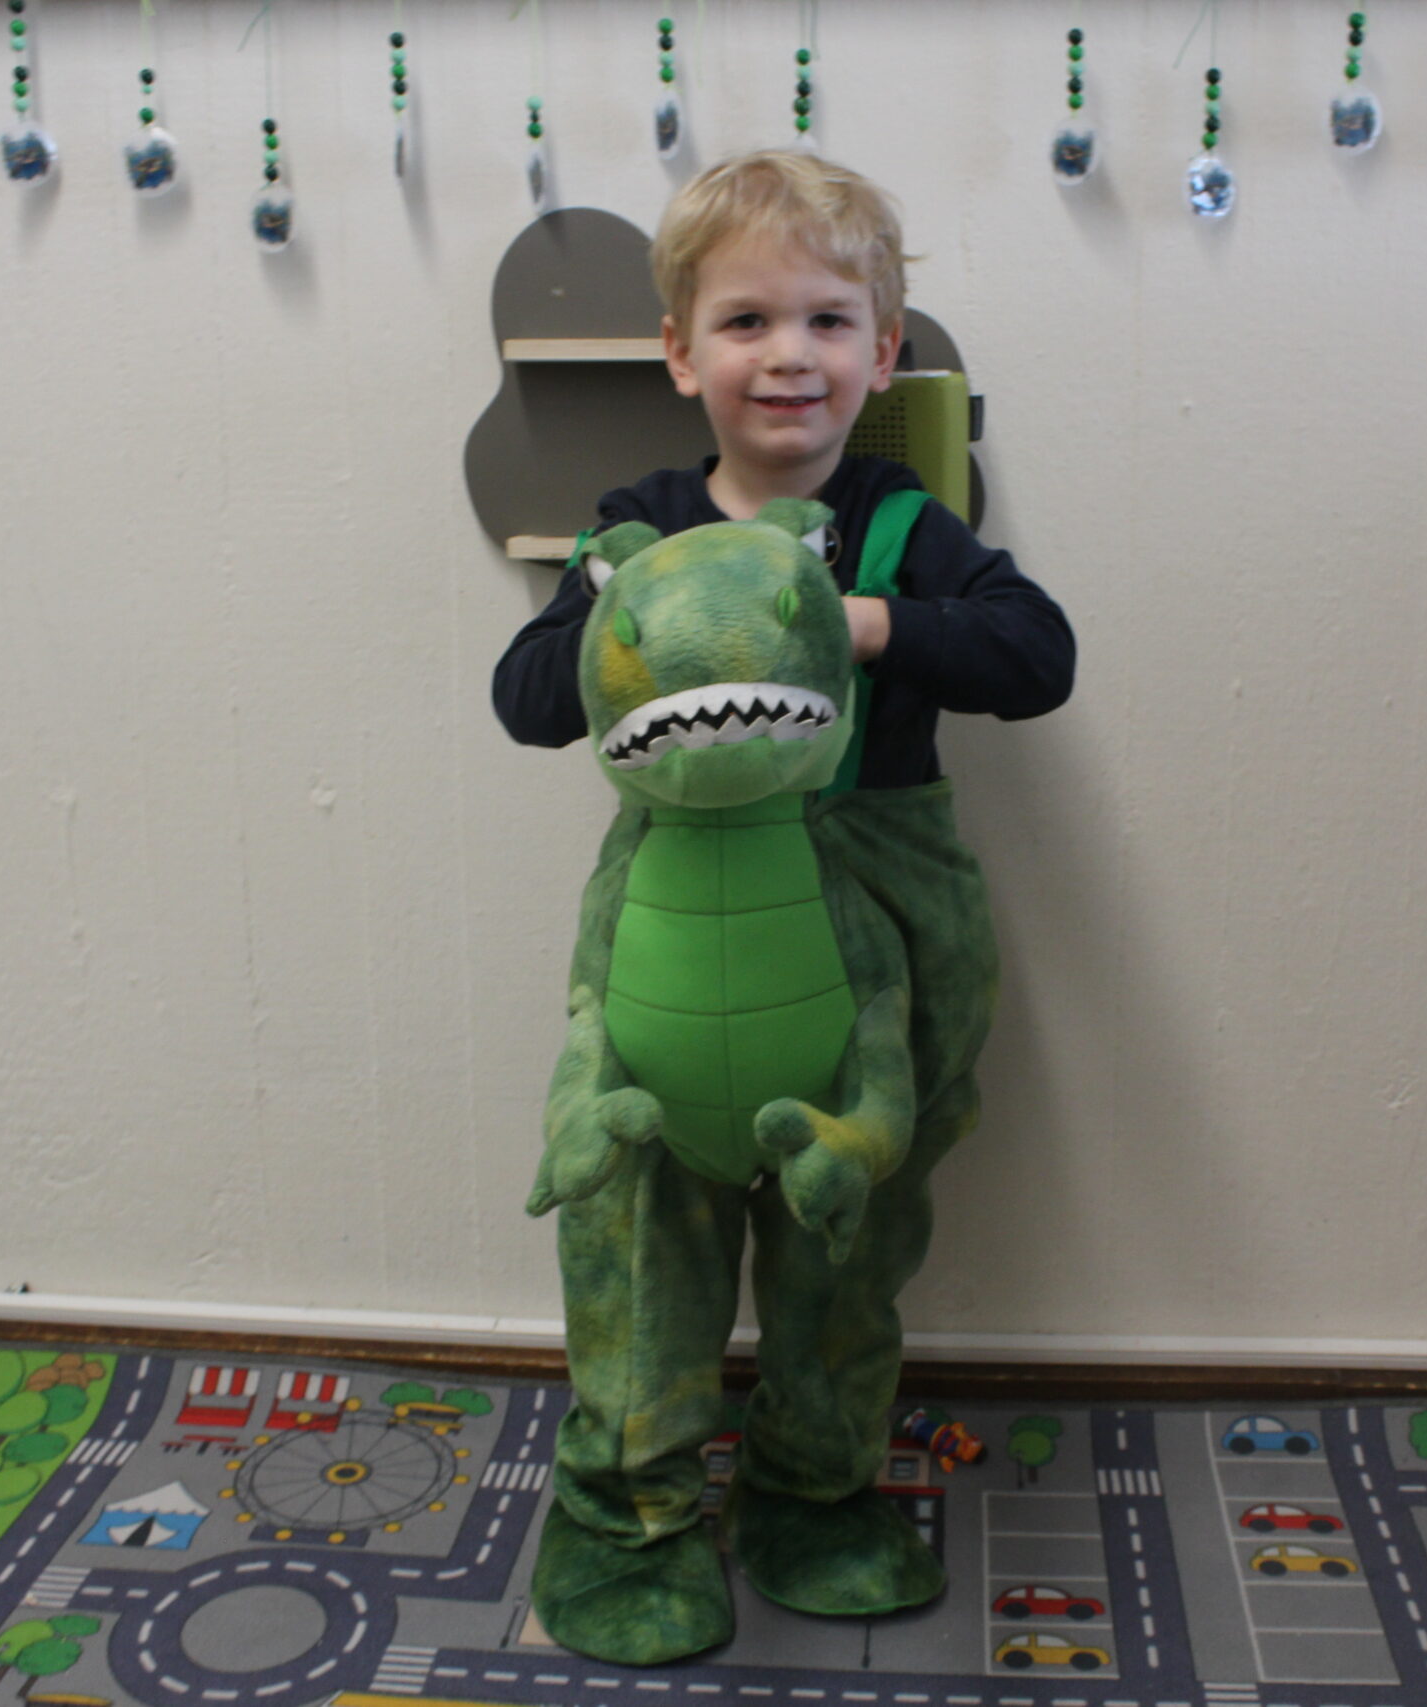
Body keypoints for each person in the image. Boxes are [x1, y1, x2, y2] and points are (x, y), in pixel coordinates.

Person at [491, 150, 1075, 1666]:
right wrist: (624, 622)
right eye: (746, 321)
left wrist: (865, 624)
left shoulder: (899, 521)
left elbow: (1037, 655)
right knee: (643, 1242)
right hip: (678, 957)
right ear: (681, 354)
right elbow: (528, 700)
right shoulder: (642, 525)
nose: (788, 355)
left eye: (827, 320)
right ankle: (626, 1519)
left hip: (872, 947)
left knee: (846, 1245)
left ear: (884, 350)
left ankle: (815, 1493)